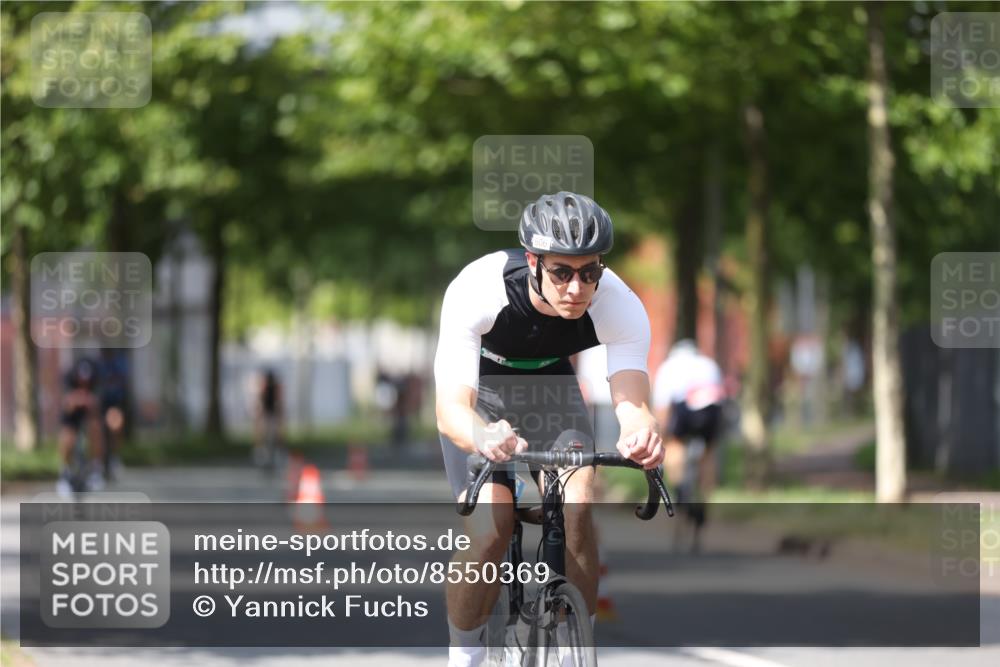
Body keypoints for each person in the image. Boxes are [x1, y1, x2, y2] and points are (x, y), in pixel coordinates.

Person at [434, 191, 663, 667]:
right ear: (533, 261)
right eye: (562, 272)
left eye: (589, 272)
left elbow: (634, 404)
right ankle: (465, 654)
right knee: (492, 530)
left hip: (552, 390)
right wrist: (483, 437)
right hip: (483, 393)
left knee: (578, 501)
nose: (577, 287)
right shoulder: (478, 289)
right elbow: (452, 411)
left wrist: (640, 432)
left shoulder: (618, 303)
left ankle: (576, 647)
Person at [652, 339, 726, 509]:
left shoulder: (669, 366)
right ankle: (704, 499)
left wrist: (661, 434)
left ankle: (680, 489)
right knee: (709, 452)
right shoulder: (709, 364)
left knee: (674, 444)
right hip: (711, 410)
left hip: (685, 408)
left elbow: (662, 406)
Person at [56, 357, 106, 496]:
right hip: (71, 419)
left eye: (87, 381)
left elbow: (98, 408)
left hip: (90, 417)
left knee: (96, 428)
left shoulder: (97, 385)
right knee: (67, 437)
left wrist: (90, 403)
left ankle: (96, 469)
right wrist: (74, 402)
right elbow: (66, 408)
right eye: (81, 380)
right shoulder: (68, 382)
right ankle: (65, 472)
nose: (84, 383)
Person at [97, 348, 128, 479]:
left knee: (115, 426)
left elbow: (122, 382)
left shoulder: (119, 362)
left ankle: (114, 457)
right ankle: (97, 461)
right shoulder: (98, 364)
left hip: (114, 402)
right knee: (97, 431)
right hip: (99, 404)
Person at [253, 368, 284, 467]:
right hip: (267, 415)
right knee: (265, 436)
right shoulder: (265, 388)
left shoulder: (274, 388)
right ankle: (265, 456)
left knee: (272, 436)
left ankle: (271, 456)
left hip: (271, 415)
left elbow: (278, 403)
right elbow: (260, 403)